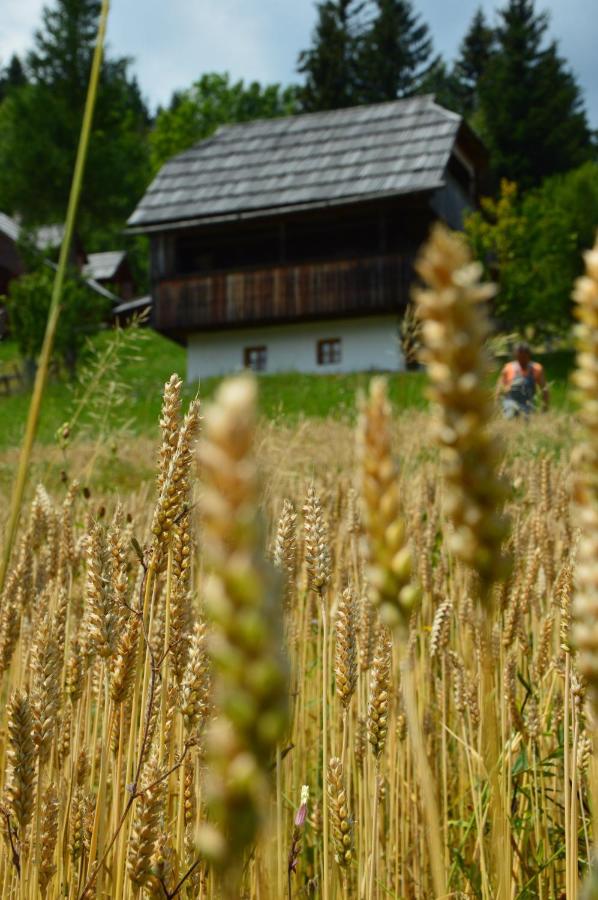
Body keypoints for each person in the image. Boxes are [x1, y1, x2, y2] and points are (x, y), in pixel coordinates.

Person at [497, 342, 549, 418]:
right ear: (515, 355)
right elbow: (499, 389)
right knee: (511, 416)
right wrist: (498, 407)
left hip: (528, 405)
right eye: (519, 357)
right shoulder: (508, 368)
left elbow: (545, 389)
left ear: (529, 355)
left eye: (524, 357)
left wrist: (545, 408)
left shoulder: (536, 369)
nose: (522, 360)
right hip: (510, 404)